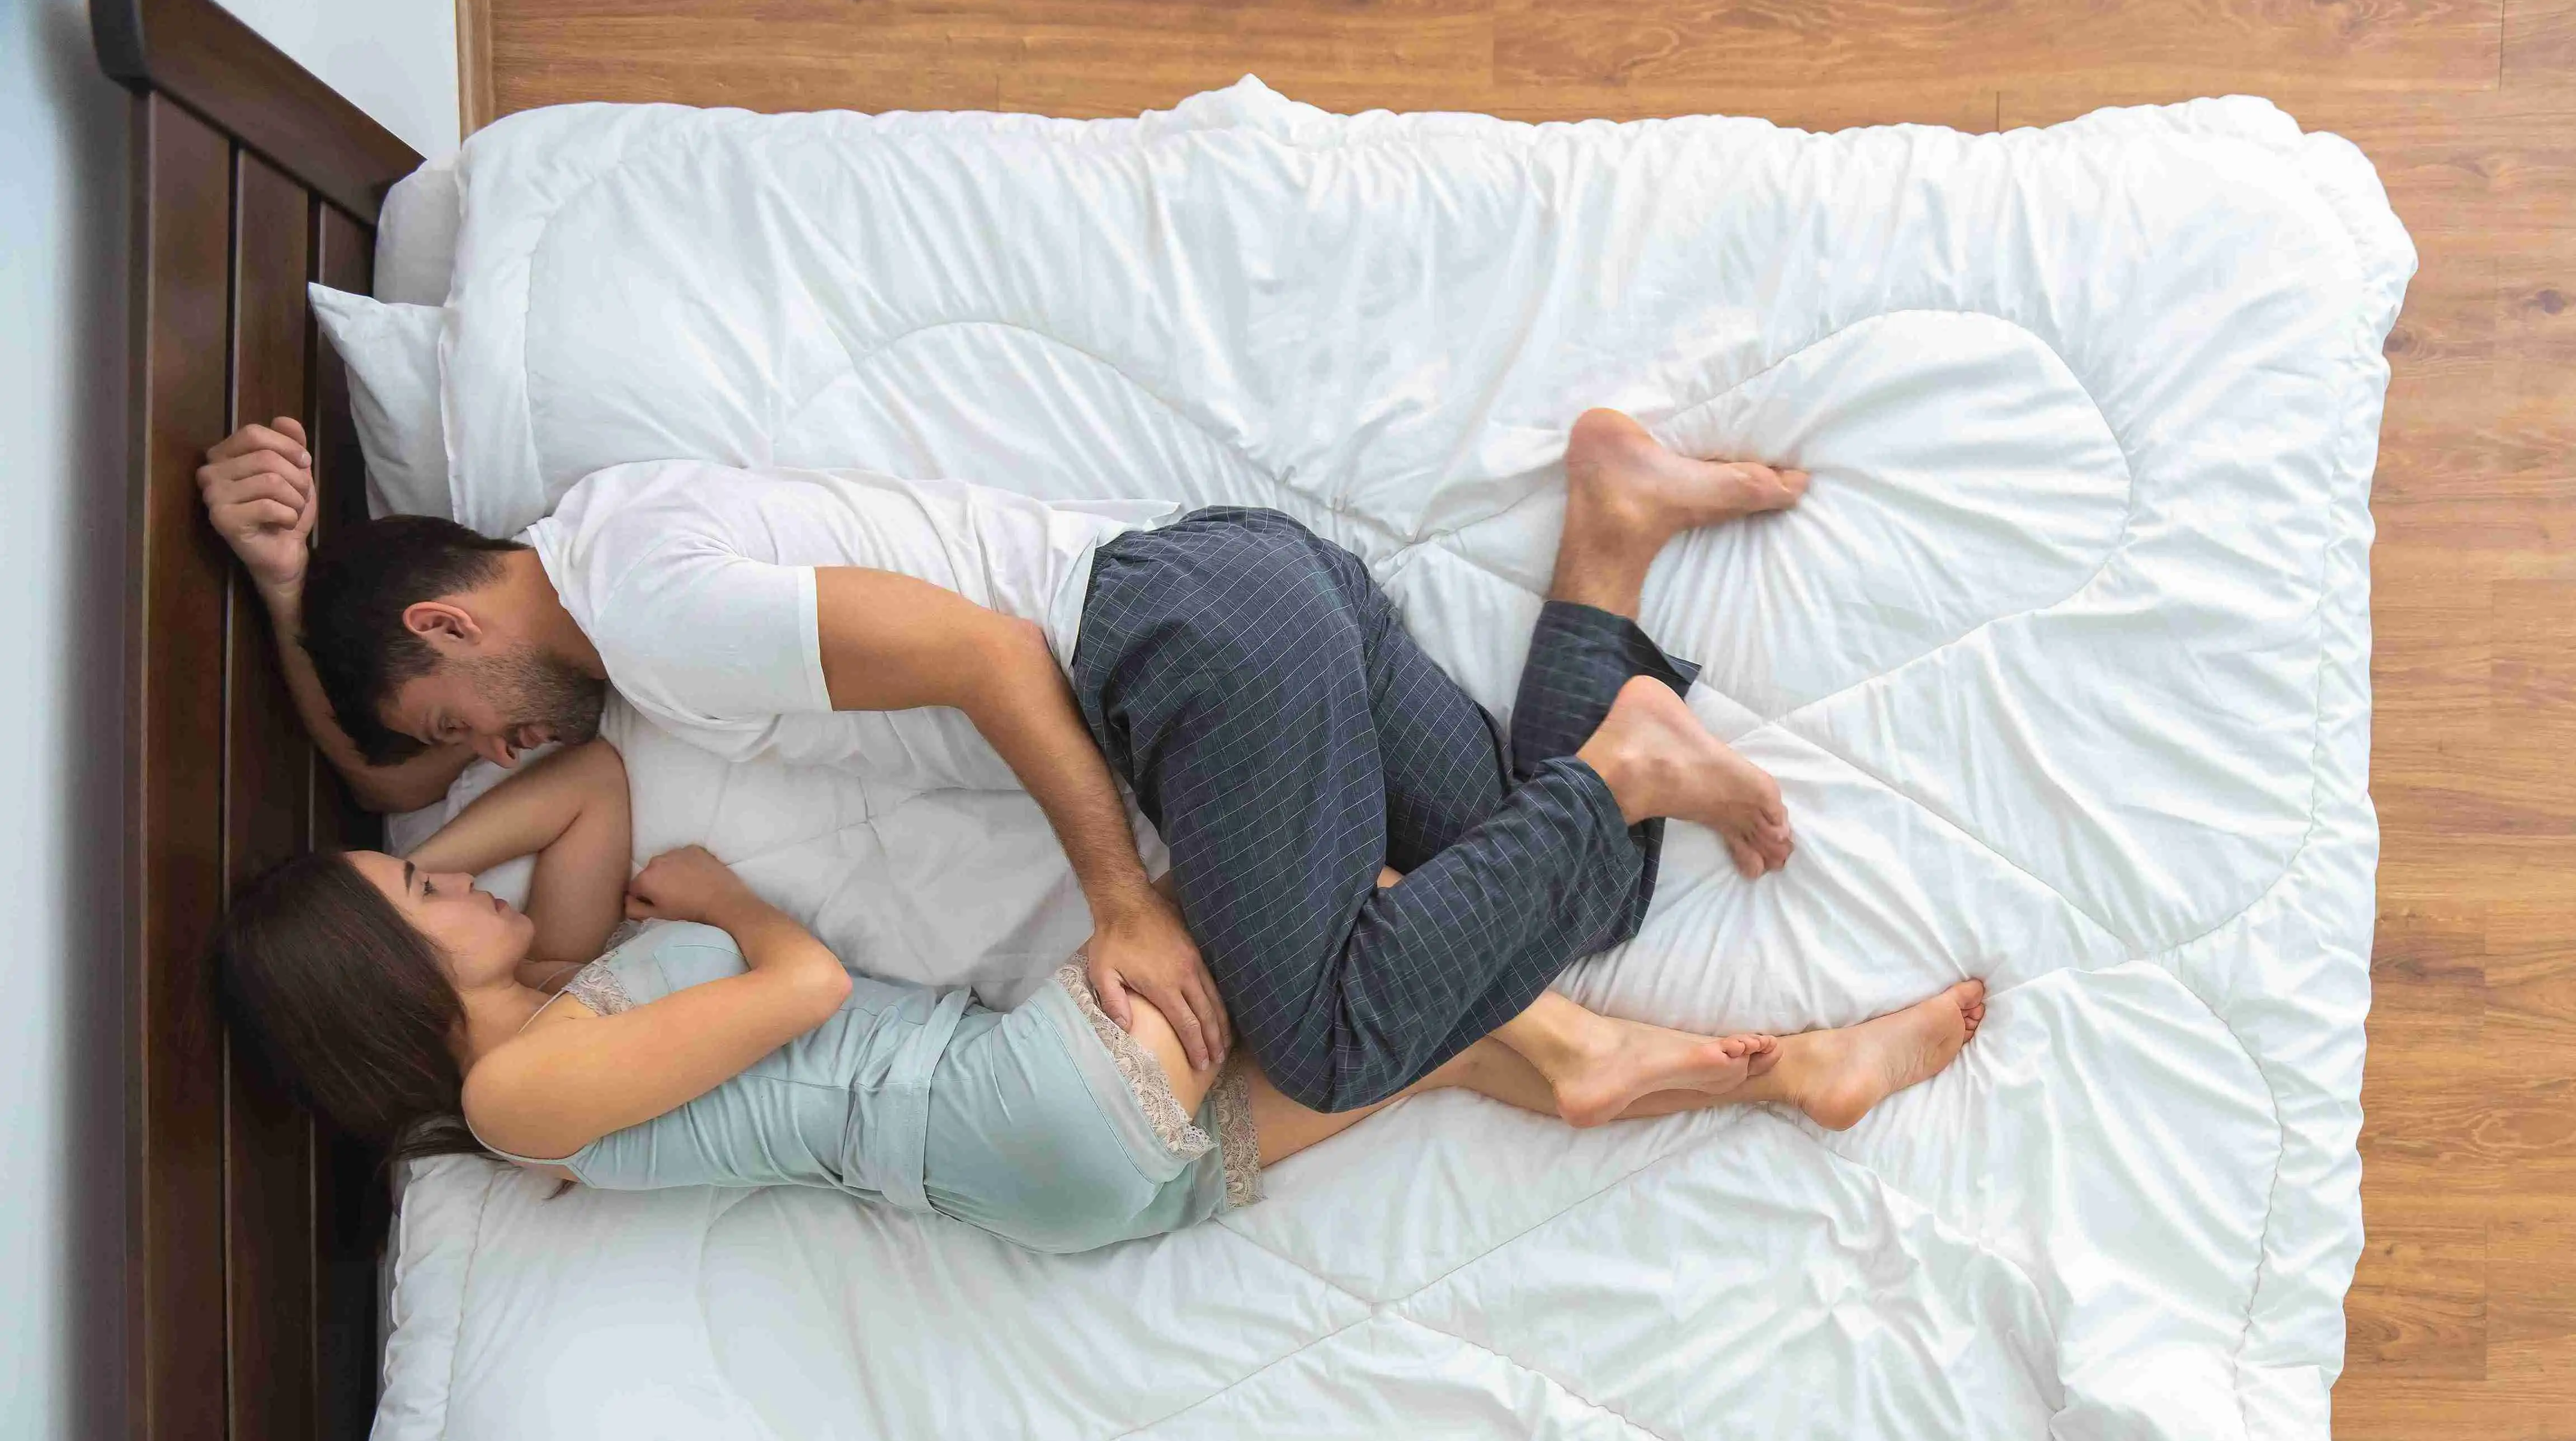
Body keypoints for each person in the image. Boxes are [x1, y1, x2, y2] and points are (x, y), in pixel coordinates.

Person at [198, 407, 1814, 1117]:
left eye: (457, 722)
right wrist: (286, 592)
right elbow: (397, 799)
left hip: (1178, 655)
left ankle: (1620, 773)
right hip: (1243, 590)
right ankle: (1611, 530)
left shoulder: (656, 612)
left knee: (1327, 1042)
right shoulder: (612, 550)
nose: (490, 759)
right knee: (1551, 897)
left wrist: (1120, 898)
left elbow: (984, 656)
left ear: (449, 623)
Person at [210, 734, 1989, 1253]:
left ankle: (1780, 1076)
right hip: (997, 1107)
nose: (461, 871)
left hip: (1051, 1175)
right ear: (377, 990)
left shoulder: (550, 993)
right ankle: (1608, 893)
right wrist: (736, 905)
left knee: (1423, 1041)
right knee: (1323, 916)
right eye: (421, 895)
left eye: (430, 864)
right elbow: (803, 983)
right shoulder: (520, 1100)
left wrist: (397, 824)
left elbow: (591, 776)